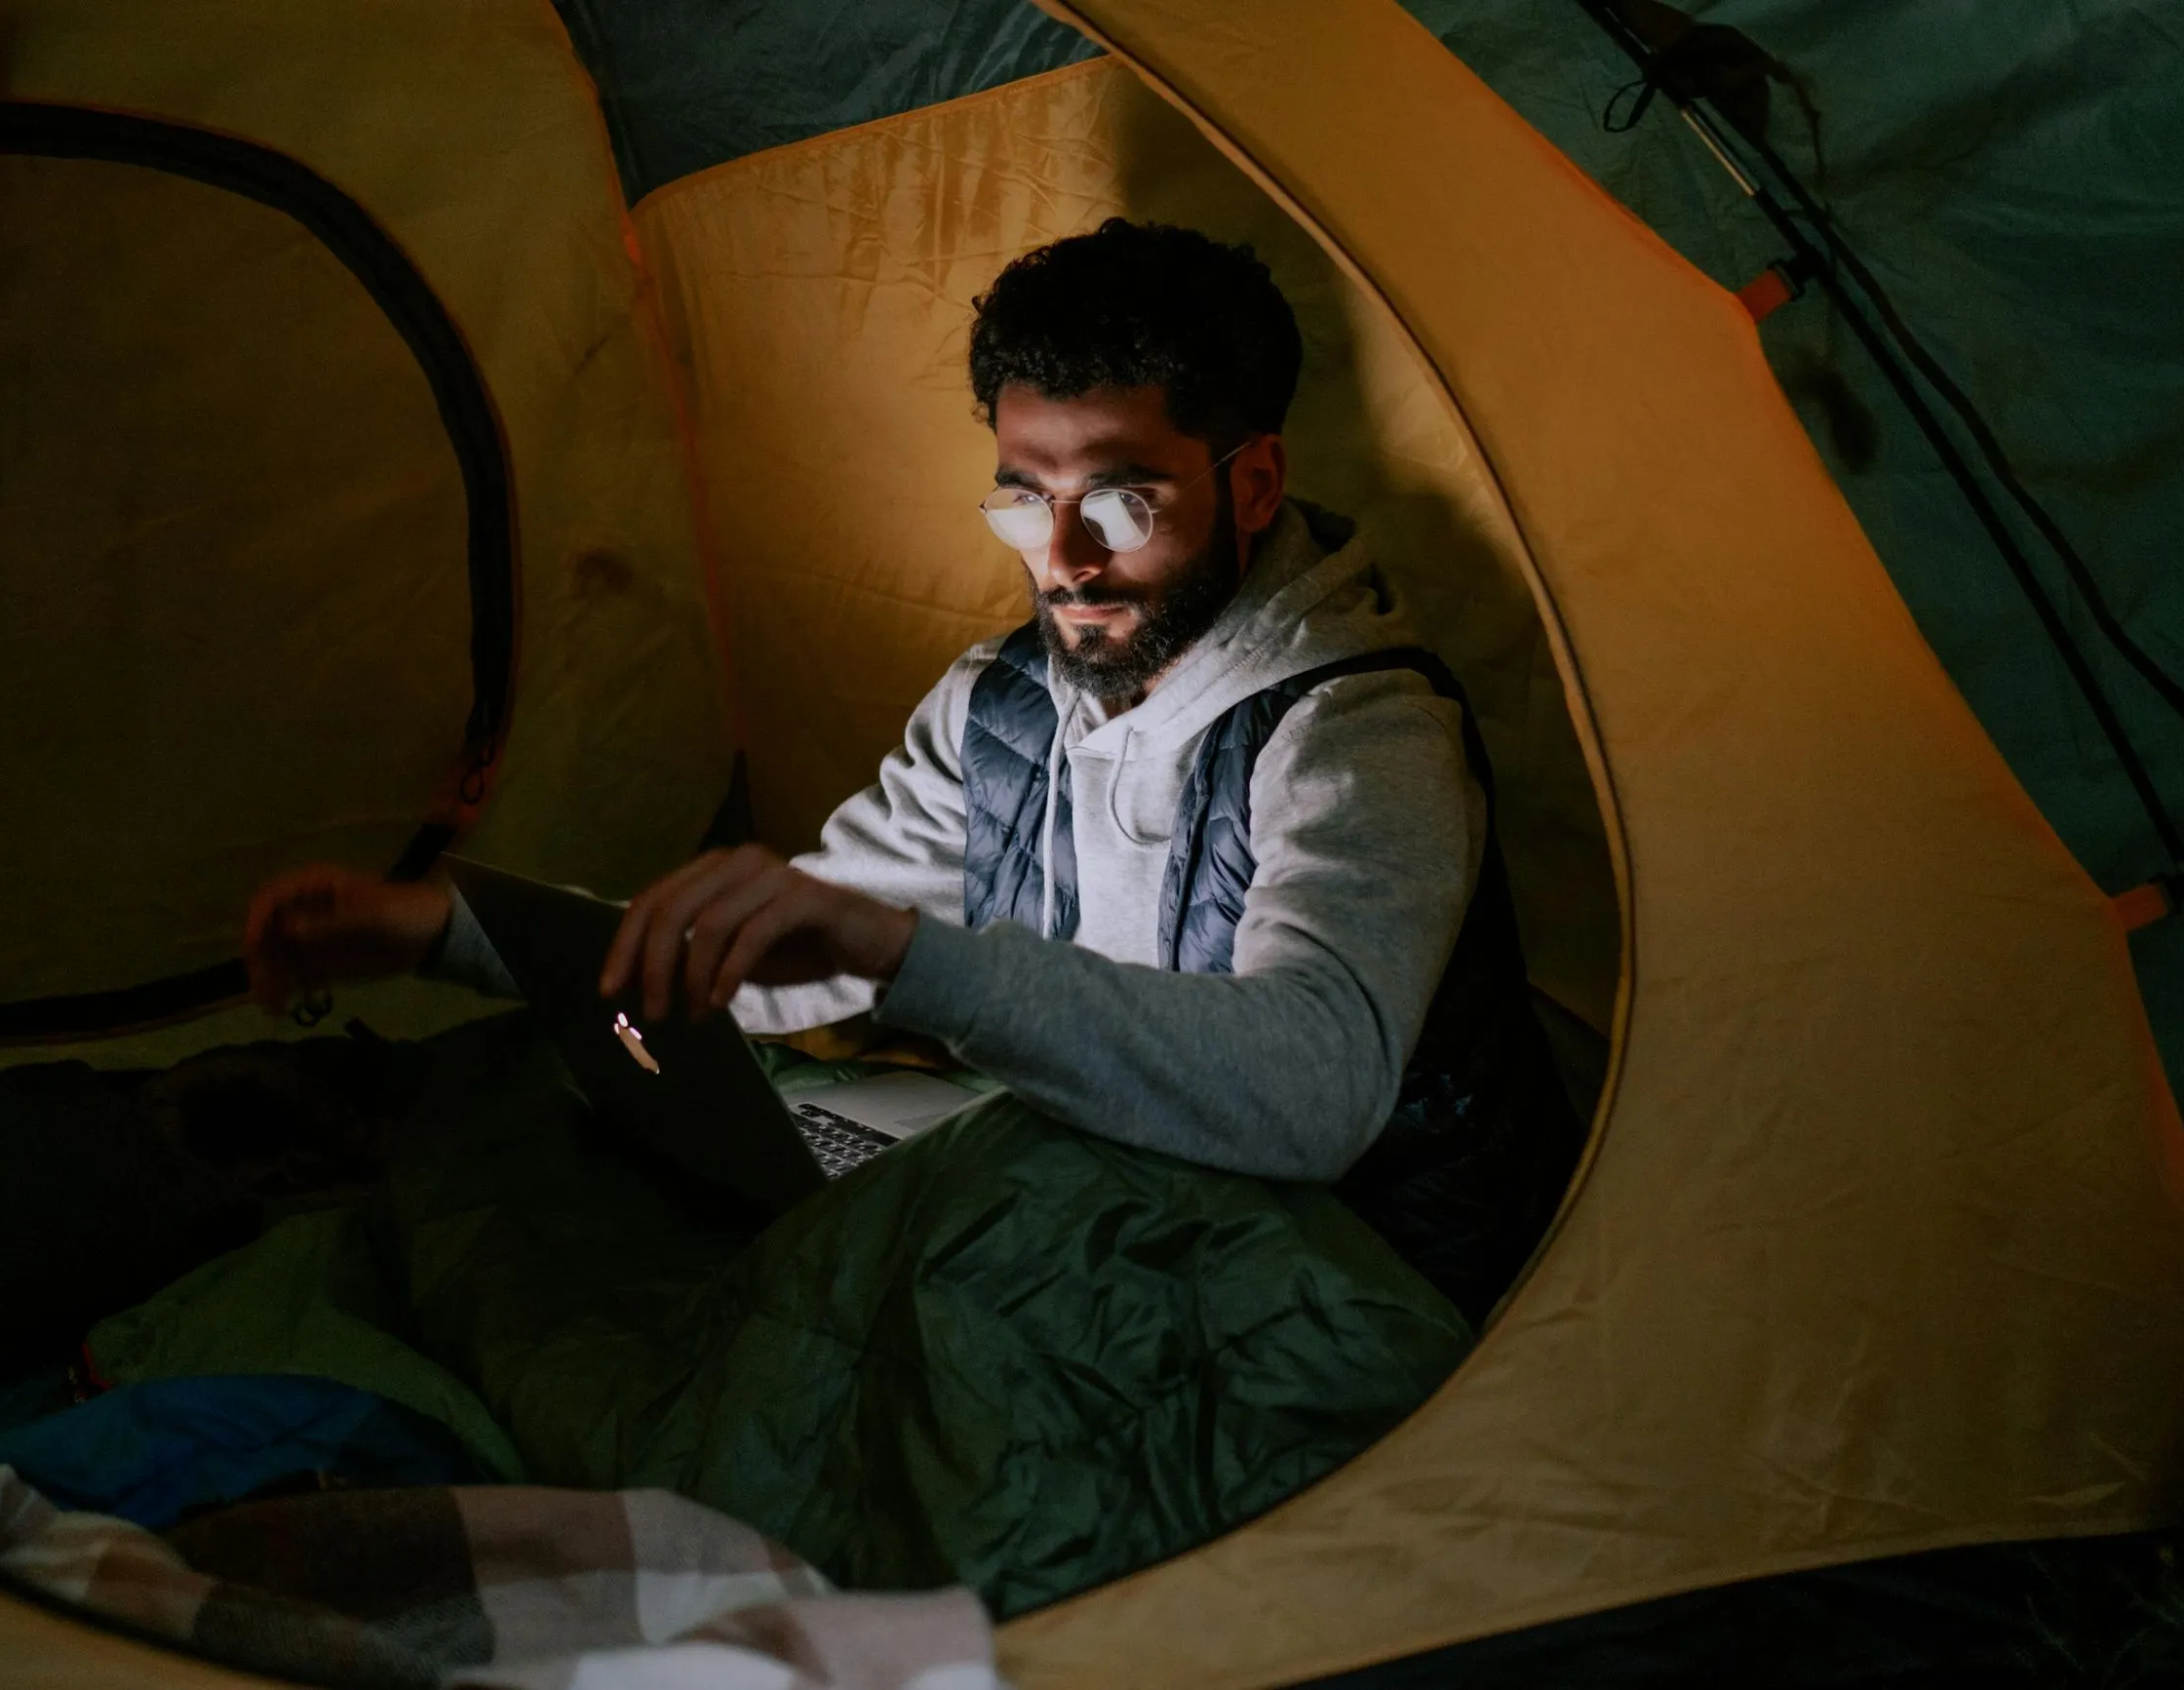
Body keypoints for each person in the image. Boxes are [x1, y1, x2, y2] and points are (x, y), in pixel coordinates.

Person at [243, 218, 1577, 1320]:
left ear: (1257, 480)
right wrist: (449, 934)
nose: (1064, 560)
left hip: (1346, 1286)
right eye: (1021, 497)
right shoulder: (998, 708)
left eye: (1123, 499)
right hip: (1120, 1226)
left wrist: (908, 956)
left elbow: (1314, 1092)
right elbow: (787, 953)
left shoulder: (1363, 735)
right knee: (558, 1202)